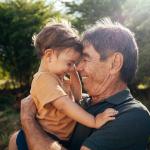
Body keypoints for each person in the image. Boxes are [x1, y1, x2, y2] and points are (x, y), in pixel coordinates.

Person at [9, 18, 150, 150]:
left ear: (115, 63)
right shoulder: (82, 101)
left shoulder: (134, 115)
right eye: (75, 61)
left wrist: (27, 120)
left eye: (85, 59)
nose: (77, 67)